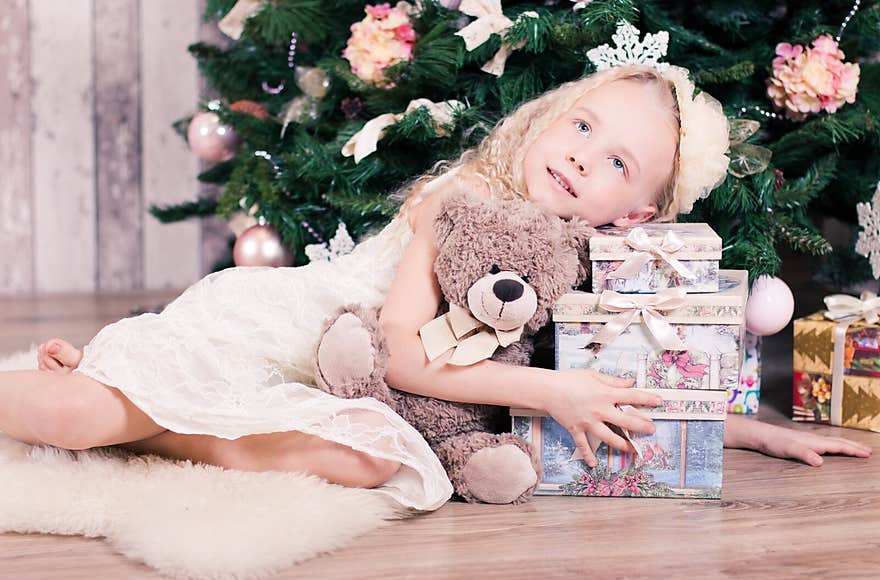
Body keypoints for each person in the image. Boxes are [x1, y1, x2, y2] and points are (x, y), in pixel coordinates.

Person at [2, 64, 869, 512]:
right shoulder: (456, 204)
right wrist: (545, 388)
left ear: (637, 210)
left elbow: (632, 382)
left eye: (615, 160)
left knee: (378, 464)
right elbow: (407, 357)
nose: (579, 153)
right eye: (581, 123)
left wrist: (753, 431)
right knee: (84, 418)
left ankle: (150, 416)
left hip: (354, 398)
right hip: (287, 330)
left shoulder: (580, 267)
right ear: (547, 118)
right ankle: (127, 393)